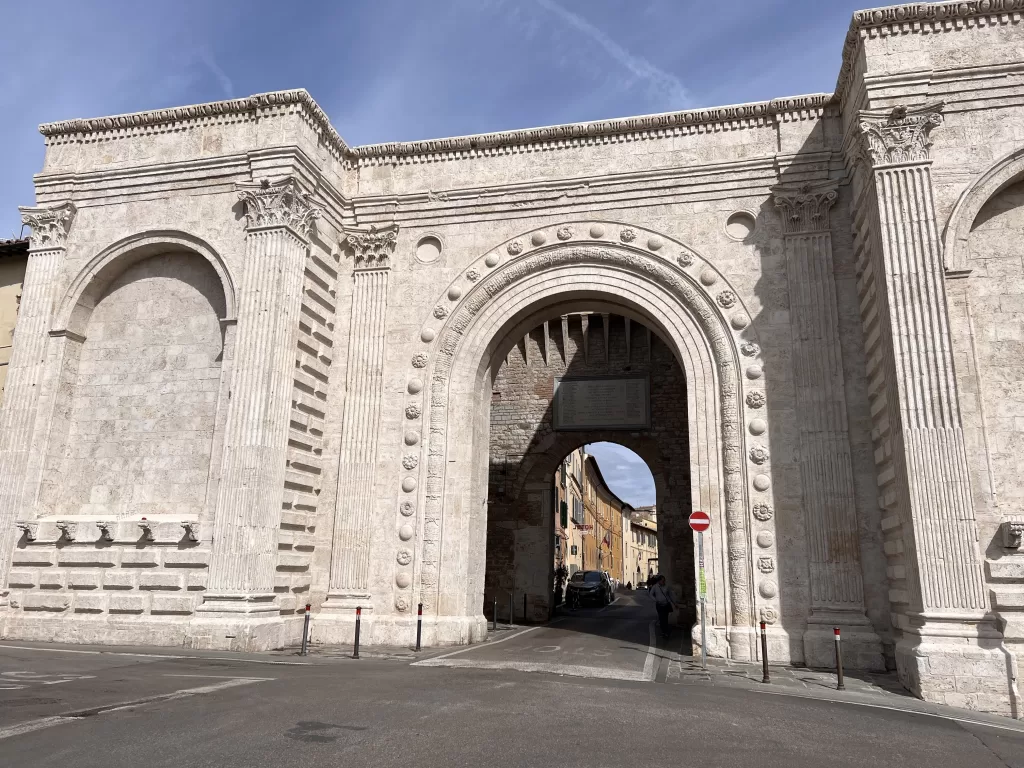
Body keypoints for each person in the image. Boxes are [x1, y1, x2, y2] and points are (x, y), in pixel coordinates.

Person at [649, 575, 676, 640]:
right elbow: (651, 594)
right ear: (659, 581)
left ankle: (666, 632)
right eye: (662, 580)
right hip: (659, 605)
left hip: (666, 604)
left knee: (665, 618)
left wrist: (674, 603)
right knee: (661, 618)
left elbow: (670, 595)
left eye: (664, 580)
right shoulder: (655, 587)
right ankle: (663, 631)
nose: (664, 582)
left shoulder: (667, 587)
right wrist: (655, 600)